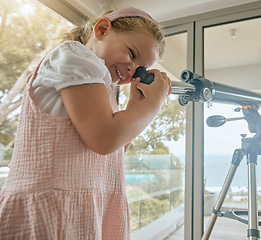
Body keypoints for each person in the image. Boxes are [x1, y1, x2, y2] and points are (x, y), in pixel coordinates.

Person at [0, 7, 171, 239]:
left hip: (86, 211)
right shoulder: (76, 57)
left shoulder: (101, 88)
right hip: (55, 211)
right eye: (131, 53)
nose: (132, 70)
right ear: (101, 30)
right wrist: (155, 103)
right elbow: (104, 139)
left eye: (139, 68)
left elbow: (114, 151)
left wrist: (134, 105)